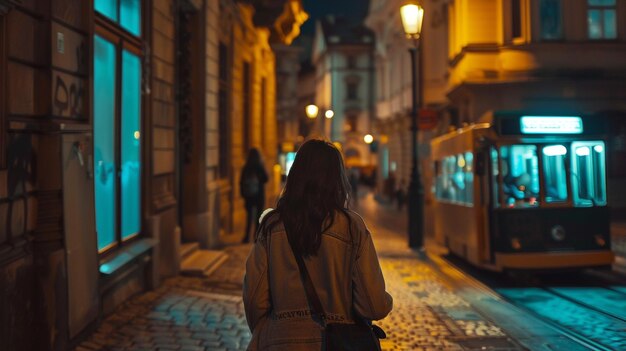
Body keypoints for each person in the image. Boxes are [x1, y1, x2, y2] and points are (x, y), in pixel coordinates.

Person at [243, 139, 393, 350]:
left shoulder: (272, 226)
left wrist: (277, 331)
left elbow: (254, 299)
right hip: (338, 343)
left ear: (296, 176)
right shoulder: (352, 228)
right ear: (337, 180)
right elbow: (373, 304)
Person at [240, 148, 269, 243]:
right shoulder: (259, 166)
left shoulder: (246, 167)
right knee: (258, 217)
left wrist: (243, 195)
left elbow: (241, 182)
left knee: (249, 217)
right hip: (259, 196)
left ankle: (246, 237)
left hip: (249, 196)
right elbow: (266, 179)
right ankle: (256, 237)